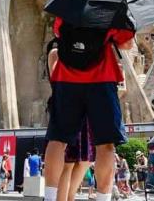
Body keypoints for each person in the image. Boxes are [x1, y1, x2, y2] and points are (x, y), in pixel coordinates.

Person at [42, 16, 136, 201]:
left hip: (66, 79)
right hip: (101, 79)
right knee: (106, 144)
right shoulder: (110, 10)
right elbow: (127, 44)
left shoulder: (68, 9)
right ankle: (103, 198)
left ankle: (50, 197)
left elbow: (58, 34)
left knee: (57, 140)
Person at [47, 39, 94, 201]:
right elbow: (56, 78)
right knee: (68, 163)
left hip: (86, 110)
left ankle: (69, 197)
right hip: (67, 107)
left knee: (85, 160)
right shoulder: (56, 54)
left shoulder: (86, 53)